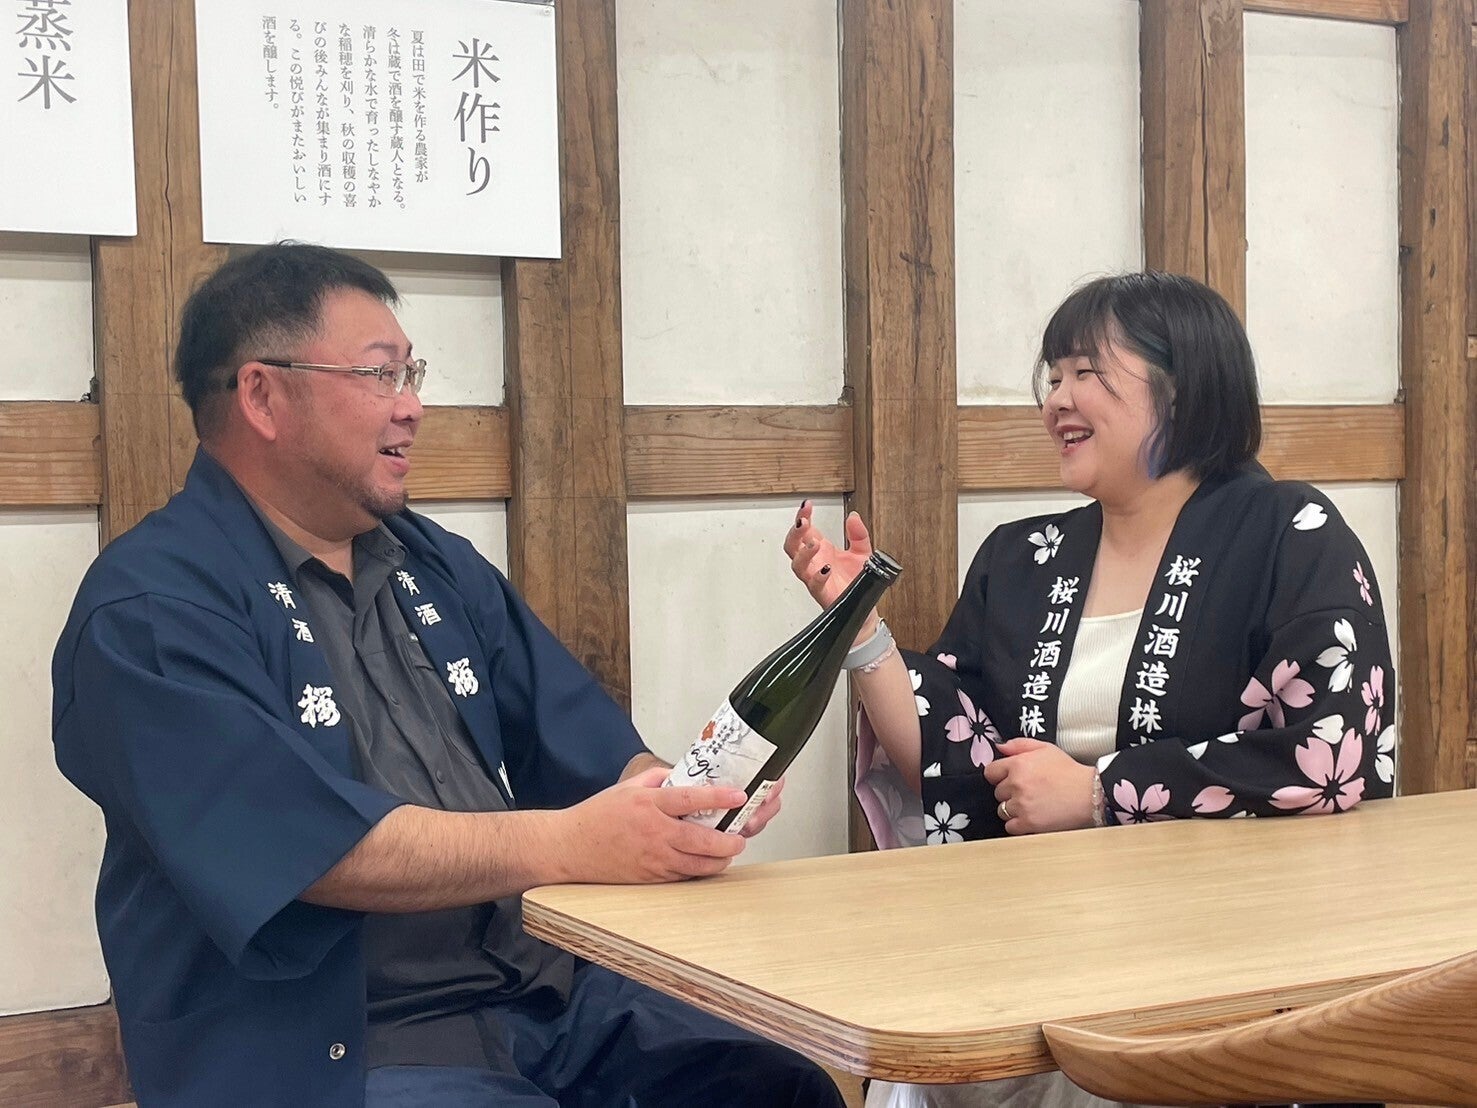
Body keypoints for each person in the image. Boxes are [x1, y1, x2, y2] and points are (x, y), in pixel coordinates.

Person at [52, 243, 845, 1108]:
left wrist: (679, 803)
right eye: (380, 375)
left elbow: (584, 747)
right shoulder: (150, 608)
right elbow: (317, 853)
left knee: (777, 1087)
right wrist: (573, 842)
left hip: (538, 996)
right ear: (263, 395)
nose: (413, 406)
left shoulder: (431, 563)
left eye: (411, 373)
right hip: (335, 1048)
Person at [784, 271, 1395, 1108]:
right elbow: (956, 767)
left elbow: (1326, 759)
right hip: (1032, 943)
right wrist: (860, 630)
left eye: (1087, 373)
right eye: (1052, 376)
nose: (1057, 400)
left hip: (1225, 965)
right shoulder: (1022, 556)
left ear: (1182, 387)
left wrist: (1099, 792)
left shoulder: (1291, 533)